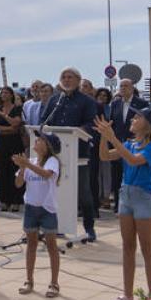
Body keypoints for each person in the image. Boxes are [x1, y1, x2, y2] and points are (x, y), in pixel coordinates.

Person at [95, 107, 151, 300]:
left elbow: (133, 161)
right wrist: (104, 136)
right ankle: (127, 295)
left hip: (143, 197)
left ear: (148, 125)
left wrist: (112, 136)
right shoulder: (129, 144)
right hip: (126, 196)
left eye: (138, 116)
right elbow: (104, 156)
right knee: (128, 247)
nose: (133, 118)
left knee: (147, 247)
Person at [43, 67, 99, 241]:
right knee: (56, 191)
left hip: (78, 153)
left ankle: (89, 228)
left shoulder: (87, 101)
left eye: (70, 77)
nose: (66, 80)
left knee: (84, 193)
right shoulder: (54, 100)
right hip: (55, 154)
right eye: (63, 77)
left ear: (78, 80)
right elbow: (43, 122)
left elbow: (92, 124)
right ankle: (58, 225)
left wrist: (79, 130)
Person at [13, 132, 62, 298]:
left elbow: (46, 174)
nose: (36, 141)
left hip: (47, 209)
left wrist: (26, 163)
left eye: (41, 139)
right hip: (31, 208)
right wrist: (22, 168)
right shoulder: (31, 162)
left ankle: (54, 283)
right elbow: (18, 184)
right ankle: (29, 280)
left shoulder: (53, 161)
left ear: (48, 146)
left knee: (51, 245)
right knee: (31, 244)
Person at [109, 78, 147, 213]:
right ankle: (118, 203)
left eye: (126, 86)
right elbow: (112, 124)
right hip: (118, 144)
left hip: (134, 145)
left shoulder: (141, 103)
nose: (123, 88)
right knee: (117, 175)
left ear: (132, 88)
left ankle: (134, 203)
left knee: (132, 173)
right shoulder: (115, 104)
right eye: (121, 86)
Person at [0, 86, 25, 211]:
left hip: (15, 142)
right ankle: (4, 200)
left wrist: (2, 115)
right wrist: (7, 129)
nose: (4, 95)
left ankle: (16, 200)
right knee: (3, 170)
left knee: (15, 169)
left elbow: (16, 123)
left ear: (11, 95)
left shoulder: (16, 108)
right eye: (2, 93)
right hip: (3, 142)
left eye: (6, 92)